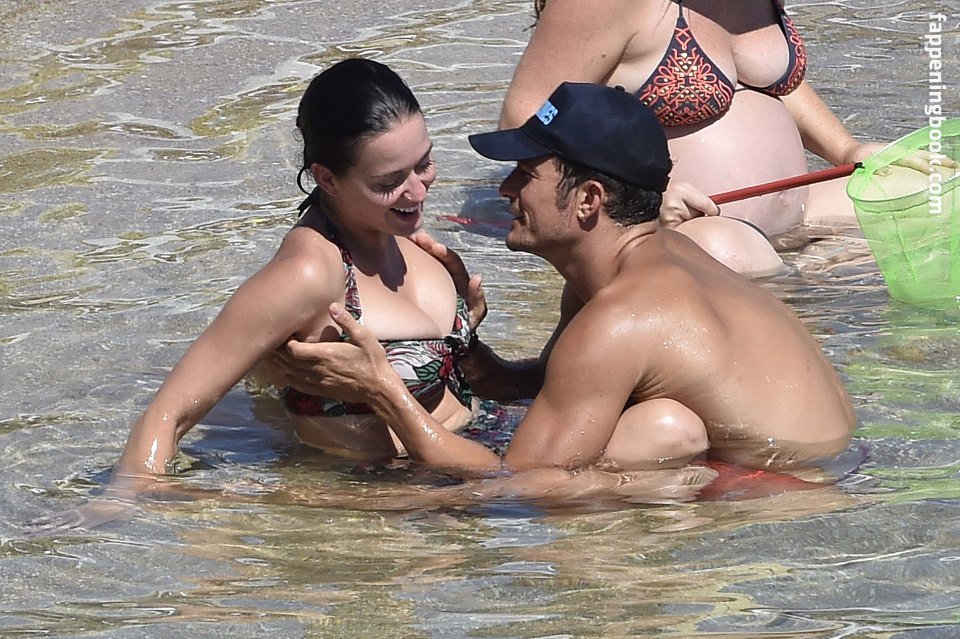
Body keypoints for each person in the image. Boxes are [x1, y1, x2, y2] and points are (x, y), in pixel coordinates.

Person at [270, 82, 858, 485]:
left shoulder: (618, 319)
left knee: (637, 442)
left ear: (588, 201)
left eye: (525, 174)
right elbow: (556, 384)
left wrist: (384, 391)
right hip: (835, 469)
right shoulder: (653, 260)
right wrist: (466, 351)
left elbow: (509, 485)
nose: (505, 190)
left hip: (779, 500)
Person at [30, 58, 480, 530]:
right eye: (389, 182)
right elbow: (169, 412)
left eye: (424, 164)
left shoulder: (402, 235)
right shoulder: (307, 275)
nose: (417, 192)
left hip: (472, 464)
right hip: (388, 508)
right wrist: (122, 497)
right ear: (327, 179)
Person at [497, 0, 882, 274]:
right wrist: (638, 197)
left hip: (797, 218)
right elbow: (526, 116)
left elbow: (770, 82)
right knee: (729, 253)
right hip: (689, 231)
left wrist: (846, 148)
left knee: (903, 192)